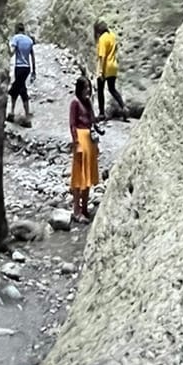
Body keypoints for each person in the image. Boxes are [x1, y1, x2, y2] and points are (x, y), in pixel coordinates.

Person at [69, 74, 100, 220]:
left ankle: (85, 208)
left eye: (89, 88)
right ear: (80, 88)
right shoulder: (75, 103)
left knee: (88, 175)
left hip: (89, 139)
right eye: (86, 88)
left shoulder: (87, 102)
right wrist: (76, 143)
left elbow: (93, 120)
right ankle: (76, 210)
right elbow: (72, 124)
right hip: (80, 139)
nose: (88, 90)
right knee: (78, 176)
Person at [94, 18, 126, 123]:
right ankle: (123, 106)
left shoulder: (102, 39)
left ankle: (102, 114)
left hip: (105, 67)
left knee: (100, 91)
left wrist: (100, 72)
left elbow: (102, 57)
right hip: (113, 66)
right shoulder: (111, 35)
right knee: (112, 89)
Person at [7, 20, 36, 126]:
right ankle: (21, 114)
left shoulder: (16, 38)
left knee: (17, 89)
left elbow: (12, 52)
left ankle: (21, 116)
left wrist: (6, 51)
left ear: (16, 29)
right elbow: (32, 56)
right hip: (27, 68)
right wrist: (34, 71)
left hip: (19, 67)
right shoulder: (29, 40)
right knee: (21, 88)